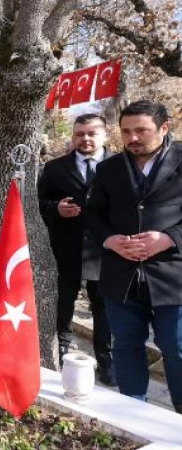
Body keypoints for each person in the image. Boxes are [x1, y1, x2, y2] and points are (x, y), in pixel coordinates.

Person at [87, 100, 182, 414]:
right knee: (125, 346)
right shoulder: (108, 168)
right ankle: (133, 414)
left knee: (176, 348)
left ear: (164, 128)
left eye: (141, 130)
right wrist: (110, 239)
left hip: (173, 277)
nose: (132, 138)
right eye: (126, 131)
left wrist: (168, 238)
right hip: (121, 276)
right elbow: (94, 216)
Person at [38, 114, 115, 386]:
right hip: (65, 247)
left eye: (92, 133)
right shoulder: (55, 167)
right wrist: (55, 209)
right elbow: (39, 202)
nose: (85, 138)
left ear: (105, 134)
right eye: (80, 133)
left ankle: (106, 361)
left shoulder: (119, 165)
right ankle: (61, 349)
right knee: (64, 302)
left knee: (103, 307)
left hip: (105, 249)